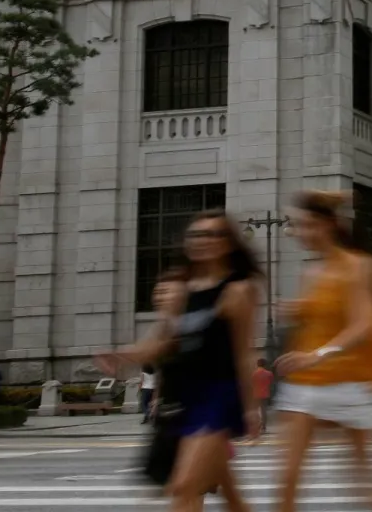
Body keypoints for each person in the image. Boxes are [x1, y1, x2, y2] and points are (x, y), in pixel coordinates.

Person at [98, 210, 261, 512]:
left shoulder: (238, 290)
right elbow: (162, 342)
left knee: (184, 485)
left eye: (213, 234)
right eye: (196, 234)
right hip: (184, 400)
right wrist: (124, 355)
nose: (203, 241)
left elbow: (243, 353)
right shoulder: (183, 290)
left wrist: (252, 408)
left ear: (228, 243)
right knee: (227, 491)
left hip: (219, 398)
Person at [273, 190, 372, 512]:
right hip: (304, 386)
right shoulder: (312, 273)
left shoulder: (360, 267)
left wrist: (317, 354)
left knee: (365, 486)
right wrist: (300, 311)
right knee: (287, 480)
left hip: (349, 384)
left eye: (310, 225)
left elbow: (363, 324)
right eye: (299, 226)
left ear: (329, 225)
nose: (303, 233)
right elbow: (326, 318)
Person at [250, 359, 273, 442]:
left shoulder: (254, 374)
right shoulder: (269, 374)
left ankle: (256, 426)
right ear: (265, 365)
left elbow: (252, 383)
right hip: (265, 394)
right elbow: (270, 382)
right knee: (264, 411)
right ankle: (263, 427)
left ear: (257, 364)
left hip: (256, 394)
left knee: (256, 411)